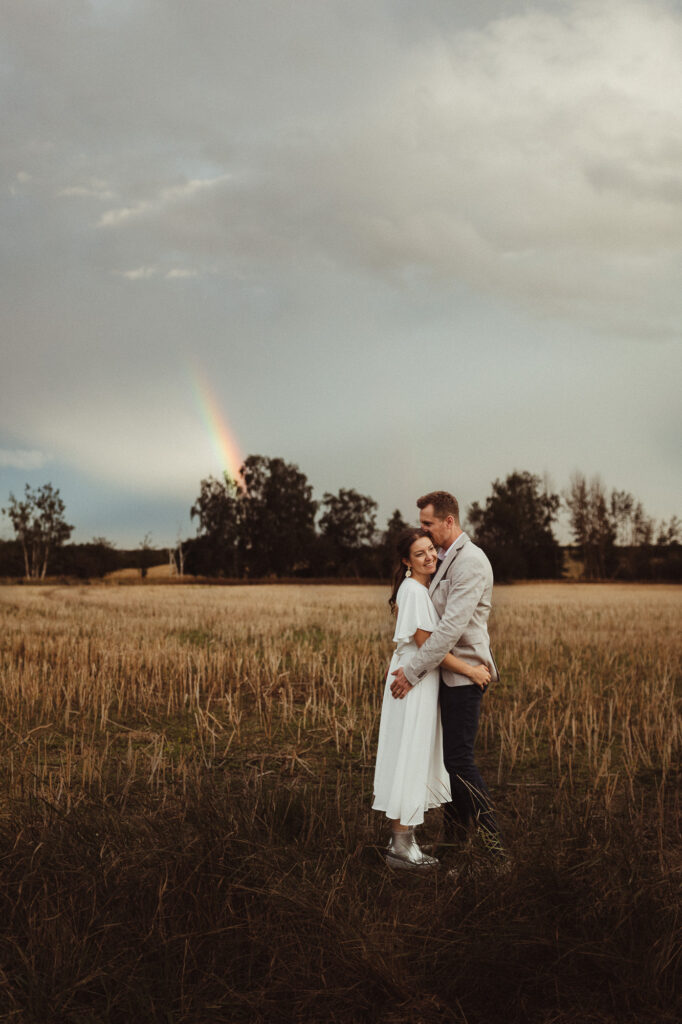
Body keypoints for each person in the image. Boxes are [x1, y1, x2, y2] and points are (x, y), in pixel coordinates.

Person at [390, 491, 505, 862]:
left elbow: (448, 630)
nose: (423, 529)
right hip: (445, 677)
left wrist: (411, 671)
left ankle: (495, 850)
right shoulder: (445, 559)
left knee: (460, 763)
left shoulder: (470, 562)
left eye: (427, 523)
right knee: (452, 765)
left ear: (448, 522)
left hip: (464, 680)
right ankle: (453, 850)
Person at [373, 528, 492, 870]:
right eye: (420, 553)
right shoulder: (414, 591)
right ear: (406, 562)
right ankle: (401, 849)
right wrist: (471, 671)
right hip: (414, 681)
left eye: (431, 550)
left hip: (416, 677)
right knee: (409, 755)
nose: (429, 557)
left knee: (411, 754)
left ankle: (404, 842)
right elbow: (429, 647)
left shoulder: (417, 590)